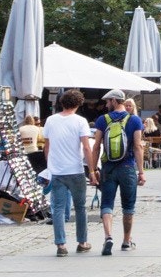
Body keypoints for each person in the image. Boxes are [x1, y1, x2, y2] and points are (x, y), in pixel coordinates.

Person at [88, 88, 144, 255]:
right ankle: (126, 241)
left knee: (107, 204)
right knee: (128, 206)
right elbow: (138, 146)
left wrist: (93, 170)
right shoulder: (134, 120)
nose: (106, 105)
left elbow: (96, 147)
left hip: (108, 168)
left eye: (107, 101)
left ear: (114, 100)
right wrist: (141, 172)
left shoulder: (102, 120)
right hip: (128, 168)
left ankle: (108, 237)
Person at [43, 90, 92, 257]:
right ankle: (82, 242)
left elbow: (47, 147)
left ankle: (61, 244)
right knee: (80, 207)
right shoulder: (81, 121)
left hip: (57, 171)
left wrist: (50, 165)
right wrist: (92, 170)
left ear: (61, 103)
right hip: (75, 170)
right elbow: (86, 147)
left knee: (57, 208)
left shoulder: (51, 120)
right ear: (78, 104)